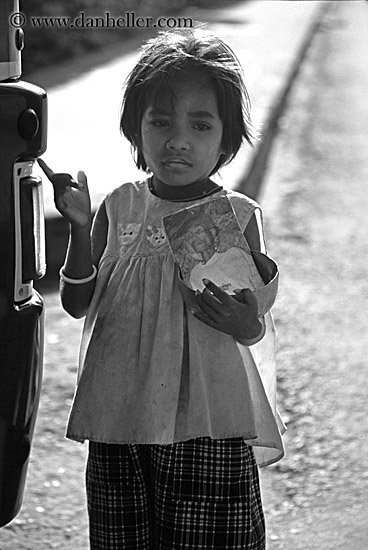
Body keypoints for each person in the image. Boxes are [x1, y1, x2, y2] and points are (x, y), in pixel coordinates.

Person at [39, 28, 285, 550]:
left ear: (225, 139)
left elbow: (252, 327)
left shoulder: (238, 217)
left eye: (201, 124)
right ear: (136, 129)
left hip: (205, 420)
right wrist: (79, 229)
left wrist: (242, 319)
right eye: (160, 121)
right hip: (119, 414)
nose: (178, 139)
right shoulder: (119, 206)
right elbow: (80, 303)